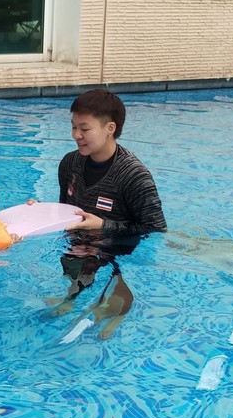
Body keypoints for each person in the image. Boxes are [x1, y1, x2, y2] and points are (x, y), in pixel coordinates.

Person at [50, 89, 166, 339]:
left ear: (109, 128)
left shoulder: (134, 176)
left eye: (84, 128)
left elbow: (155, 229)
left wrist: (103, 225)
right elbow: (64, 210)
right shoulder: (70, 164)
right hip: (79, 248)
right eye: (73, 127)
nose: (76, 135)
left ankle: (117, 303)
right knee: (75, 267)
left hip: (118, 250)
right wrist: (37, 212)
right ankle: (73, 296)